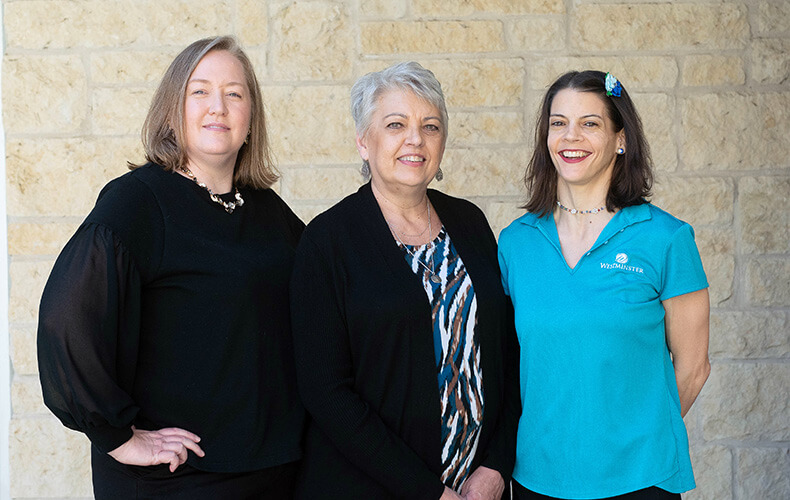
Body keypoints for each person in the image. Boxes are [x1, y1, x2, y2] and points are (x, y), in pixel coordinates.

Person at [37, 36, 305, 499]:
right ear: (171, 110)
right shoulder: (138, 202)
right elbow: (68, 318)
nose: (218, 107)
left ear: (251, 118)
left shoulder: (268, 212)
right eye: (199, 91)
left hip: (272, 472)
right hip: (178, 478)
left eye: (234, 93)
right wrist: (117, 437)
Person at [289, 62, 520, 500]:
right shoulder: (327, 241)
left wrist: (496, 467)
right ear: (363, 141)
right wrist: (428, 492)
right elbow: (326, 393)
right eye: (396, 124)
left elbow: (507, 356)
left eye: (430, 126)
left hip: (477, 489)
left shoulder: (470, 223)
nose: (415, 139)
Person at [498, 70, 711, 499]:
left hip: (638, 479)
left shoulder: (666, 239)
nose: (570, 137)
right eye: (559, 123)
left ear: (621, 139)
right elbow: (508, 362)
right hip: (538, 477)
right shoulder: (516, 242)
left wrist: (636, 439)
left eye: (590, 123)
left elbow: (693, 368)